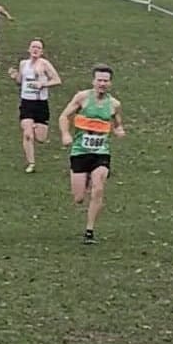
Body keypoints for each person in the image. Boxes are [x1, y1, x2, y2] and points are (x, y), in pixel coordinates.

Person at [57, 64, 126, 244]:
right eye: (99, 80)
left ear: (110, 83)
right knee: (79, 198)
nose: (102, 83)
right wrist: (65, 134)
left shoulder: (114, 105)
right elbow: (63, 116)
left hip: (101, 152)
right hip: (80, 151)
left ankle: (89, 231)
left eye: (106, 80)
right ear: (93, 81)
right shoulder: (82, 98)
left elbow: (118, 124)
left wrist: (119, 131)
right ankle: (85, 180)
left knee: (99, 189)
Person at [11, 40, 63, 174]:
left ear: (42, 51)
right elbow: (20, 82)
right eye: (33, 47)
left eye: (38, 48)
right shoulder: (23, 64)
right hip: (27, 102)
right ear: (29, 49)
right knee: (27, 135)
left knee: (41, 138)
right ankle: (31, 163)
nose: (35, 49)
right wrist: (15, 76)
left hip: (40, 104)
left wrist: (43, 84)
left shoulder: (44, 64)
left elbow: (57, 80)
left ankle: (35, 127)